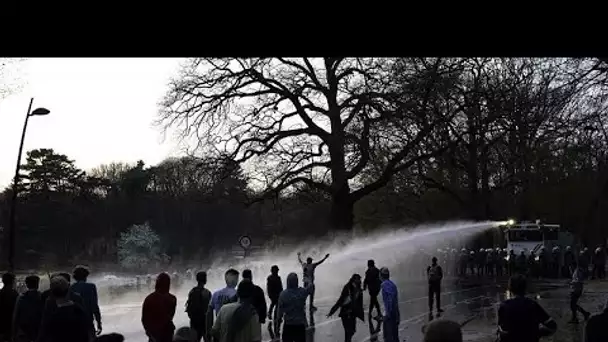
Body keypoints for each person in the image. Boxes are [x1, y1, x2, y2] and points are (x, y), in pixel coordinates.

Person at [497, 274, 556, 342]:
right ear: (525, 288)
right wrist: (537, 333)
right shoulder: (533, 305)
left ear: (510, 288)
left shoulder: (504, 306)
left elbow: (503, 332)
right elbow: (552, 326)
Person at [37, 275, 91, 342]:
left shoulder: (51, 313)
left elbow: (44, 331)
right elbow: (86, 331)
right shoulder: (79, 310)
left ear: (52, 293)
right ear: (68, 290)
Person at [276, 273, 314, 342]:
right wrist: (308, 280)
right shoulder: (302, 292)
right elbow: (311, 287)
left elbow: (279, 314)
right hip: (300, 325)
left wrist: (277, 328)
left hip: (288, 326)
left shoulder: (283, 294)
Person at [327, 274, 364, 342]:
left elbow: (359, 303)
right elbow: (340, 300)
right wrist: (332, 311)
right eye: (358, 279)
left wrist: (360, 312)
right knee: (348, 332)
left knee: (353, 330)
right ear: (354, 280)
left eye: (359, 280)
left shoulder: (359, 289)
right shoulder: (348, 288)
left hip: (353, 313)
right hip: (345, 312)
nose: (360, 281)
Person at [142, 272, 177, 342]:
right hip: (167, 332)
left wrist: (149, 333)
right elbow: (170, 316)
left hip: (154, 333)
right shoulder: (172, 298)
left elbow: (144, 319)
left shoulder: (149, 298)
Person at [70, 265, 103, 337]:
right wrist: (99, 323)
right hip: (88, 321)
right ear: (86, 276)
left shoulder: (71, 288)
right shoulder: (91, 287)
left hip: (74, 323)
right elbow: (94, 306)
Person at [12, 275, 43, 342]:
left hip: (24, 330)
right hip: (37, 329)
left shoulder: (21, 298)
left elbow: (15, 316)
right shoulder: (41, 297)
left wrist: (14, 333)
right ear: (37, 284)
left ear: (27, 285)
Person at [185, 271, 212, 342]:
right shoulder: (207, 292)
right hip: (204, 322)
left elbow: (188, 308)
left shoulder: (192, 291)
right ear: (205, 280)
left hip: (194, 322)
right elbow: (209, 309)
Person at [380, 267, 400, 342]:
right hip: (394, 313)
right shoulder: (392, 284)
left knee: (389, 337)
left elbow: (390, 300)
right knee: (394, 336)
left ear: (381, 275)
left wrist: (387, 314)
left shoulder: (384, 285)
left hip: (390, 314)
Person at [0, 273, 19, 342]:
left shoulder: (1, 293)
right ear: (12, 282)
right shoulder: (15, 294)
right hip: (12, 324)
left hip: (1, 324)